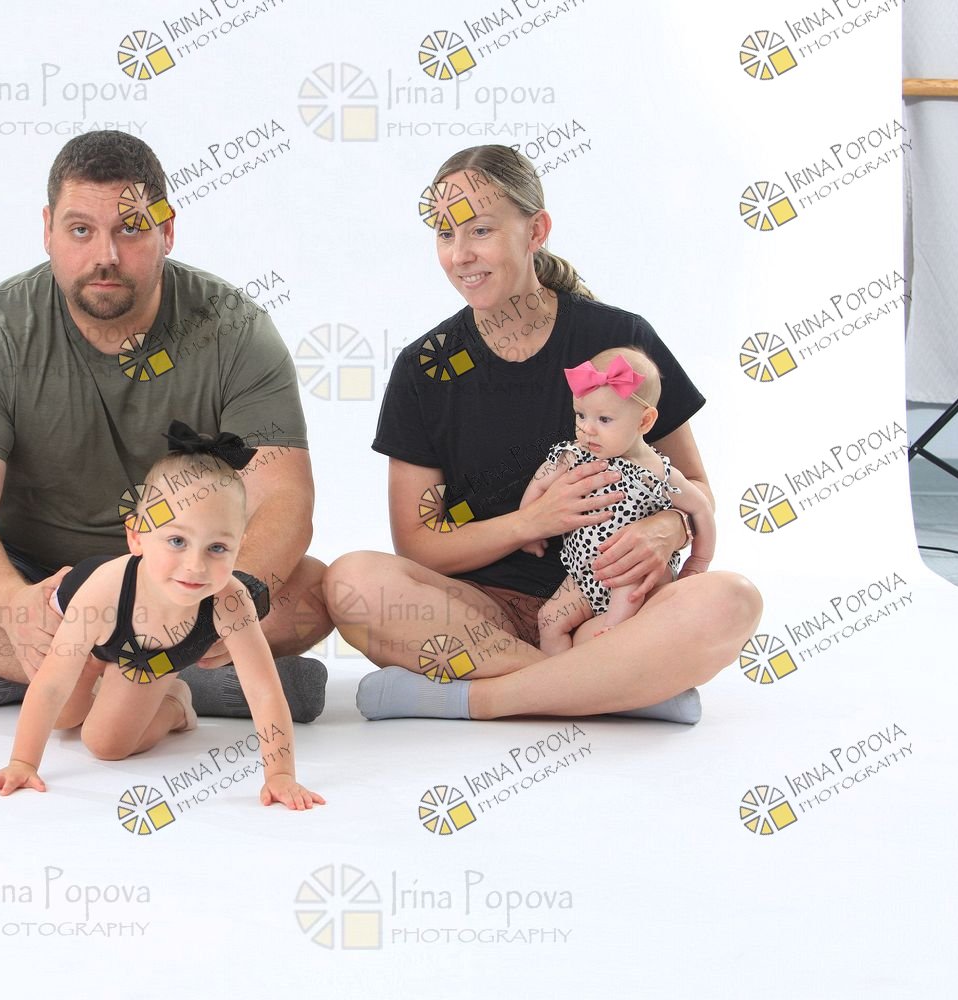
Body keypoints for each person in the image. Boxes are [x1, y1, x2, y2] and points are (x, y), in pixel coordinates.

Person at [0, 131, 331, 723]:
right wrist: (13, 605)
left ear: (167, 230)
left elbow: (284, 497)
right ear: (48, 230)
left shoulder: (236, 329)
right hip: (39, 581)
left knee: (314, 593)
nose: (106, 255)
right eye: (80, 230)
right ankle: (184, 686)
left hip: (184, 583)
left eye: (131, 229)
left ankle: (42, 683)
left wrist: (235, 593)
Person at [323, 144, 761, 724]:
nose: (460, 255)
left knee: (733, 600)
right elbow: (419, 543)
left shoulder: (620, 340)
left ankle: (480, 700)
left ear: (536, 231)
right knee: (352, 581)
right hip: (485, 614)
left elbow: (696, 487)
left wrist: (665, 528)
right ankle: (623, 686)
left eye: (480, 230)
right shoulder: (424, 367)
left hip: (619, 607)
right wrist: (532, 521)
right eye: (444, 234)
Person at [0, 424, 324, 810]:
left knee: (106, 744)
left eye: (218, 547)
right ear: (136, 537)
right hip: (91, 630)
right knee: (62, 715)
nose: (195, 565)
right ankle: (97, 673)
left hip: (154, 656)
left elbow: (263, 690)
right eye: (177, 541)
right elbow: (51, 685)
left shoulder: (230, 601)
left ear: (239, 548)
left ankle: (176, 702)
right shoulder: (102, 592)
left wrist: (280, 775)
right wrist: (21, 763)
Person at [522, 347, 716, 654]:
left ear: (644, 422)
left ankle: (615, 639)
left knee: (621, 614)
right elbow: (540, 481)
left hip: (633, 567)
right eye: (581, 415)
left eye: (604, 419)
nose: (587, 428)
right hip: (588, 573)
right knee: (549, 620)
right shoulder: (575, 454)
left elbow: (701, 508)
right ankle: (556, 677)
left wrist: (699, 560)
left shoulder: (656, 472)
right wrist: (530, 530)